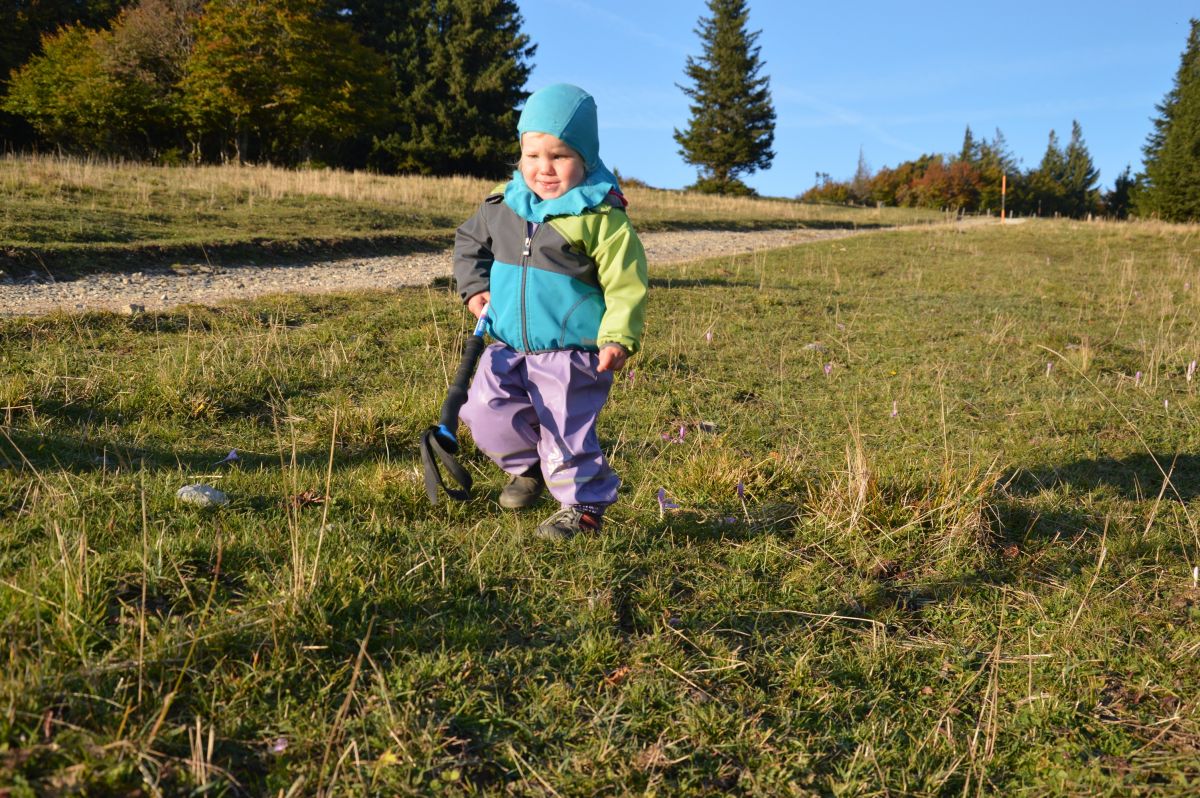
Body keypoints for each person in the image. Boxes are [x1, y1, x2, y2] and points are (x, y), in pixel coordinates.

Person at [454, 83, 648, 540]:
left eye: (559, 156)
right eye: (533, 154)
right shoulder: (502, 206)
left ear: (586, 157)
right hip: (505, 343)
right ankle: (529, 470)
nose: (544, 168)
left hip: (571, 352)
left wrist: (617, 336)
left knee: (564, 429)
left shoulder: (600, 216)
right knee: (483, 410)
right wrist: (474, 288)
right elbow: (469, 244)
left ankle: (582, 507)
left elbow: (626, 282)